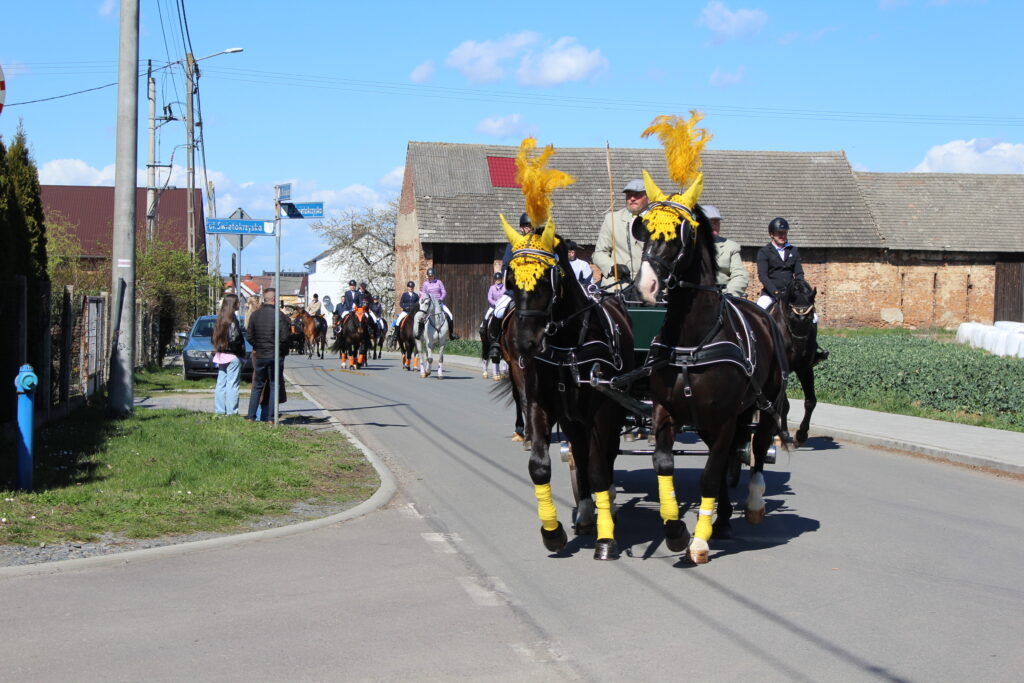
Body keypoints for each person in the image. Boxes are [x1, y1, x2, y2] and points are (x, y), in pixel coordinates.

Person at [756, 217, 828, 364]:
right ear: (771, 234)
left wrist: (800, 291)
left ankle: (813, 349)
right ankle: (757, 350)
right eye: (779, 233)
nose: (782, 235)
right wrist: (776, 293)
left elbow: (799, 274)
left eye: (784, 232)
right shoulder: (764, 252)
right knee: (758, 315)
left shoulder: (793, 250)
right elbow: (763, 276)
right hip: (771, 294)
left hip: (792, 296)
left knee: (813, 317)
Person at [245, 288, 291, 423]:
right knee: (273, 385)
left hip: (260, 355)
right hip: (275, 355)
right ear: (274, 299)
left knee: (257, 386)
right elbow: (285, 337)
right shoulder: (279, 315)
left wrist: (258, 346)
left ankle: (251, 416)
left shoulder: (255, 315)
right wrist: (280, 350)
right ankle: (271, 418)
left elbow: (249, 336)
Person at [592, 179, 650, 285]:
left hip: (651, 285)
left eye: (637, 194)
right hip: (619, 284)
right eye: (629, 195)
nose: (632, 198)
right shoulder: (612, 219)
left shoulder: (660, 219)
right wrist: (612, 267)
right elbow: (599, 253)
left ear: (648, 196)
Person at [705, 205, 749, 297]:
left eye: (717, 222)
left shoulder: (731, 247)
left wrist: (728, 293)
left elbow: (740, 275)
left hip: (723, 295)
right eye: (710, 223)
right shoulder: (689, 246)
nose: (714, 226)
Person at [212, 293, 245, 415]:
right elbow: (234, 338)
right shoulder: (233, 320)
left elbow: (213, 337)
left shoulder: (220, 319)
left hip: (221, 355)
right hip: (232, 355)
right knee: (233, 384)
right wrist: (239, 351)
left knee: (221, 384)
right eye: (238, 302)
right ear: (233, 304)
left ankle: (220, 411)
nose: (239, 304)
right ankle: (232, 412)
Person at [418, 267, 459, 340]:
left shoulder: (439, 282)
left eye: (431, 276)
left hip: (439, 303)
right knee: (422, 317)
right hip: (429, 304)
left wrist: (440, 299)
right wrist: (423, 299)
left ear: (434, 275)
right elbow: (423, 294)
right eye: (429, 276)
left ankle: (451, 334)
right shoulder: (425, 284)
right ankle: (420, 333)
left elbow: (444, 292)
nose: (430, 277)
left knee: (450, 315)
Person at [501, 212, 533, 279]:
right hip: (518, 279)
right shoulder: (513, 244)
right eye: (528, 226)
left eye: (532, 226)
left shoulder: (539, 244)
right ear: (521, 228)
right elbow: (505, 265)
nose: (531, 229)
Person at [389, 280, 420, 346]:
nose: (411, 288)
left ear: (413, 288)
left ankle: (419, 335)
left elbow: (418, 304)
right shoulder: (404, 295)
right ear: (407, 287)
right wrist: (405, 307)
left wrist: (414, 308)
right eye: (409, 287)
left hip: (413, 313)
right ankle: (395, 336)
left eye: (412, 287)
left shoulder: (416, 296)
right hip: (405, 312)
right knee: (398, 321)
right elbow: (401, 303)